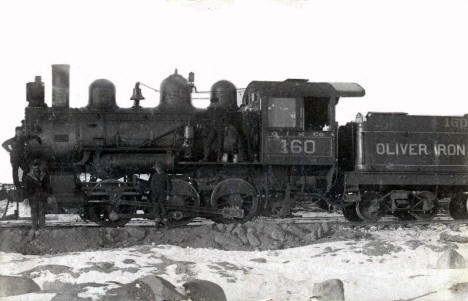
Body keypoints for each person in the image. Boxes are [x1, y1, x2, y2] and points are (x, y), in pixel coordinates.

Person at [23, 159, 52, 230]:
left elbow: (47, 187)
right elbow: (26, 188)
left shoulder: (44, 176)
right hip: (33, 197)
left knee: (41, 212)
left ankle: (42, 228)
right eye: (35, 166)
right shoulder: (28, 177)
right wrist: (26, 198)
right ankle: (34, 227)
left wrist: (48, 196)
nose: (36, 167)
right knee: (34, 212)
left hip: (42, 197)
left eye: (37, 166)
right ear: (32, 167)